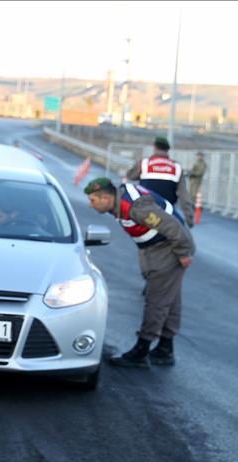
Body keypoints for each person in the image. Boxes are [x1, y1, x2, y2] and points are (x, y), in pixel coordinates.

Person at [85, 177, 196, 368]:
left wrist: (183, 252)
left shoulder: (136, 207)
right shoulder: (122, 197)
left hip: (168, 248)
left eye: (93, 200)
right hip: (160, 247)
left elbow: (171, 226)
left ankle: (141, 351)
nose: (90, 205)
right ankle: (165, 348)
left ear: (105, 198)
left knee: (156, 300)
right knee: (170, 297)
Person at [126, 135, 194, 227]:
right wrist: (189, 218)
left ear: (154, 148)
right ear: (167, 150)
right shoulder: (176, 167)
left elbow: (130, 176)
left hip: (147, 211)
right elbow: (184, 195)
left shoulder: (145, 163)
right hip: (167, 212)